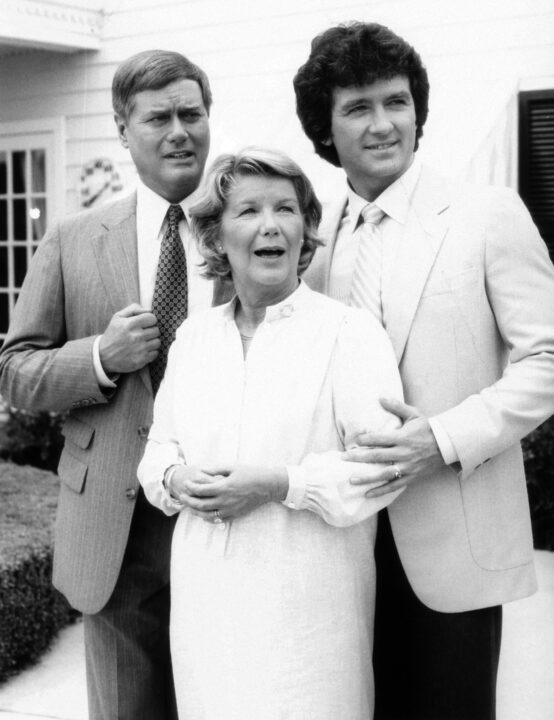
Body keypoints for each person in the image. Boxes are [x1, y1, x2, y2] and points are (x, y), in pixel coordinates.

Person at [293, 21, 554, 720]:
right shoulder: (312, 250)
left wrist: (439, 438)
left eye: (396, 102)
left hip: (453, 550)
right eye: (358, 107)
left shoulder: (487, 214)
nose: (384, 124)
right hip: (340, 550)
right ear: (325, 126)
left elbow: (549, 360)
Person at [137, 147, 405, 719]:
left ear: (305, 230)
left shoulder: (348, 333)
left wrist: (280, 483)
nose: (270, 225)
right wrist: (174, 476)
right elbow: (158, 449)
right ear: (214, 237)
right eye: (248, 211)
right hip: (206, 611)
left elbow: (385, 469)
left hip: (310, 621)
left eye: (286, 209)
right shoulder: (194, 337)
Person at [0, 49, 224, 720]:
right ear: (123, 128)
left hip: (225, 515)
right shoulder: (72, 239)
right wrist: (100, 356)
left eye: (193, 113)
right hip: (117, 530)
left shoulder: (248, 226)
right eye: (158, 117)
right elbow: (16, 371)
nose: (179, 131)